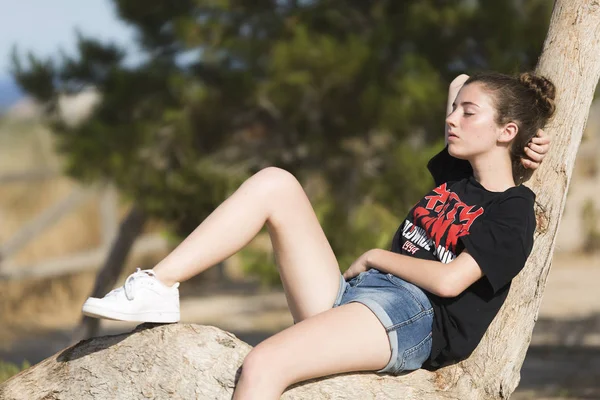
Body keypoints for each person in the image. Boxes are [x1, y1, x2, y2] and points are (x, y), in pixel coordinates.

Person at [82, 71, 555, 399]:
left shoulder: (512, 209)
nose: (451, 119)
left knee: (264, 364)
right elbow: (460, 84)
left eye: (468, 114)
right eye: (454, 112)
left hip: (411, 316)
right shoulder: (459, 172)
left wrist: (375, 255)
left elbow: (452, 282)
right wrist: (511, 119)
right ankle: (159, 285)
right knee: (275, 182)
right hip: (357, 299)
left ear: (505, 131)